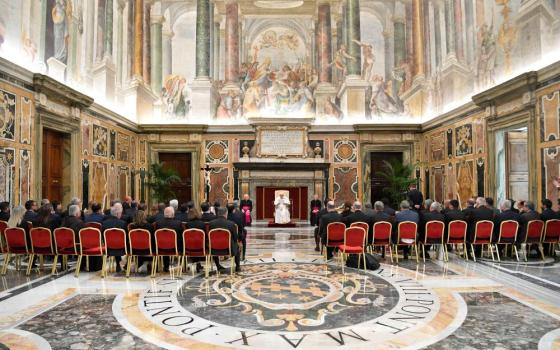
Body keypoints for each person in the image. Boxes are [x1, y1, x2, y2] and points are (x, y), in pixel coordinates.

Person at [208, 207, 241, 273]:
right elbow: (235, 238)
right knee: (237, 246)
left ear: (217, 214)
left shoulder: (211, 224)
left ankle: (218, 265)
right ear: (226, 214)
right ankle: (237, 266)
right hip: (228, 249)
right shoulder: (231, 224)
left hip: (214, 249)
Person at [155, 207, 183, 272]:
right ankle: (183, 265)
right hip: (175, 248)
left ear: (164, 214)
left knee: (165, 242)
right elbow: (180, 236)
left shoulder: (158, 223)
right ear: (173, 214)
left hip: (160, 248)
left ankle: (166, 266)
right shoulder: (178, 223)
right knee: (181, 240)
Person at [102, 204, 128, 272]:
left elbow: (102, 236)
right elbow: (126, 237)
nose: (121, 215)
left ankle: (118, 264)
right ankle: (125, 265)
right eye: (120, 213)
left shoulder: (104, 223)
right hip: (122, 248)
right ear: (117, 214)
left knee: (114, 242)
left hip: (108, 247)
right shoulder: (123, 223)